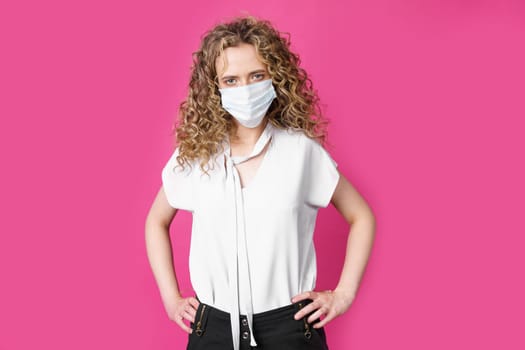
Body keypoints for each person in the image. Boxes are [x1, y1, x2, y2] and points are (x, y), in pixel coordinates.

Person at [145, 14, 376, 350]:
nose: (246, 89)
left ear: (275, 78)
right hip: (213, 330)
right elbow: (156, 220)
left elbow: (362, 216)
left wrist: (343, 294)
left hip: (291, 329)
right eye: (231, 80)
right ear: (215, 87)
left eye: (256, 76)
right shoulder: (196, 155)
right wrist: (171, 298)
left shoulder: (301, 152)